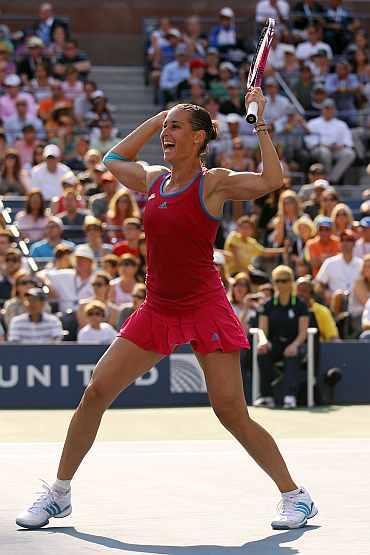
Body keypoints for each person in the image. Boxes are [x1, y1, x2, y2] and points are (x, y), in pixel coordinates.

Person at [16, 89, 317, 531]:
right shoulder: (153, 178)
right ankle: (59, 494)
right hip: (157, 306)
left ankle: (296, 496)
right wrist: (160, 117)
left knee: (230, 411)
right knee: (96, 391)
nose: (166, 134)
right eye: (165, 127)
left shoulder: (213, 182)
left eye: (176, 127)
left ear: (198, 139)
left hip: (205, 306)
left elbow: (272, 180)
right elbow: (114, 158)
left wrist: (260, 124)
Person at [256, 265, 309, 409]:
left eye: (284, 281)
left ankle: (289, 396)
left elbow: (303, 332)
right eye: (277, 281)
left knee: (293, 355)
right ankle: (266, 396)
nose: (281, 284)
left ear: (291, 282)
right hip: (275, 345)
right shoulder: (267, 305)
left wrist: (294, 345)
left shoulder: (300, 305)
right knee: (262, 353)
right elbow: (262, 330)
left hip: (295, 344)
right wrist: (264, 342)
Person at [296, 275, 339, 341]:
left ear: (311, 293)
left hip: (318, 348)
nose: (300, 294)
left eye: (304, 291)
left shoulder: (322, 311)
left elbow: (332, 336)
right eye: (298, 291)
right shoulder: (290, 310)